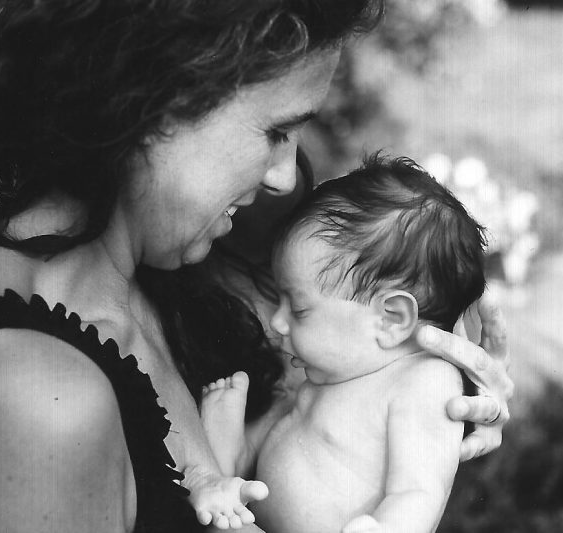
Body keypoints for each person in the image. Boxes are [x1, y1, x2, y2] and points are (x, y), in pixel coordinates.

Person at [0, 1, 512, 532]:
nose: (285, 176)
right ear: (152, 98)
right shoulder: (31, 402)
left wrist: (419, 406)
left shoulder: (182, 258)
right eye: (277, 130)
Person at [199, 155, 487, 532]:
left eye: (298, 309)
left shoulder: (425, 382)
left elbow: (419, 492)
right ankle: (230, 460)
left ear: (391, 319)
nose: (278, 321)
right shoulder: (341, 369)